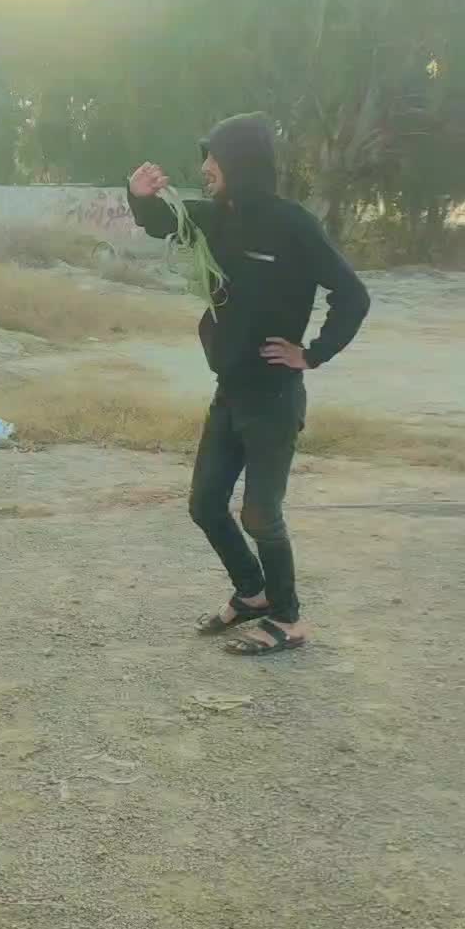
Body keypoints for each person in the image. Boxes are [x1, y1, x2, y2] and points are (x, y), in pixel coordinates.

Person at [128, 113, 370, 657]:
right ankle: (252, 592)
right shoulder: (217, 217)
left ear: (241, 162)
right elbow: (164, 222)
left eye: (213, 157)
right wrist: (138, 195)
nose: (205, 168)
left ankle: (288, 619)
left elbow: (352, 295)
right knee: (206, 504)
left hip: (274, 396)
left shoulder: (292, 224)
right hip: (230, 390)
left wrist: (313, 354)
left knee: (260, 514)